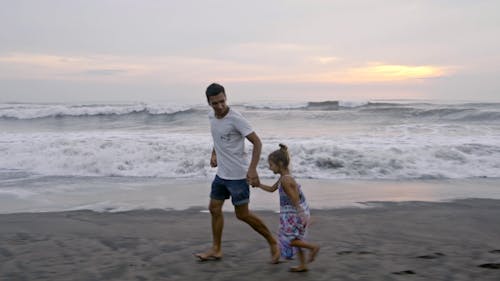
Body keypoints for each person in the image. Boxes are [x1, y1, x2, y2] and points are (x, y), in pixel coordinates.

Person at [195, 82, 280, 264]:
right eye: (214, 103)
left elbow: (257, 142)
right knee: (214, 209)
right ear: (208, 103)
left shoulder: (236, 119)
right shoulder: (212, 117)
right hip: (221, 175)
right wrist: (214, 153)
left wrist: (252, 169)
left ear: (226, 97)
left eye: (222, 101)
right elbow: (217, 138)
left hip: (238, 177)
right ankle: (216, 249)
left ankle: (273, 242)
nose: (219, 106)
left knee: (243, 215)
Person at [256, 144, 320, 272]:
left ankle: (313, 247)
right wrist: (258, 185)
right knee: (296, 239)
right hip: (293, 212)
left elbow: (294, 197)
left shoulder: (285, 180)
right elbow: (272, 189)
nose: (269, 167)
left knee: (290, 240)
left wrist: (301, 215)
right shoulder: (284, 178)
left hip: (293, 213)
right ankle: (303, 265)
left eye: (271, 165)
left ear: (280, 163)